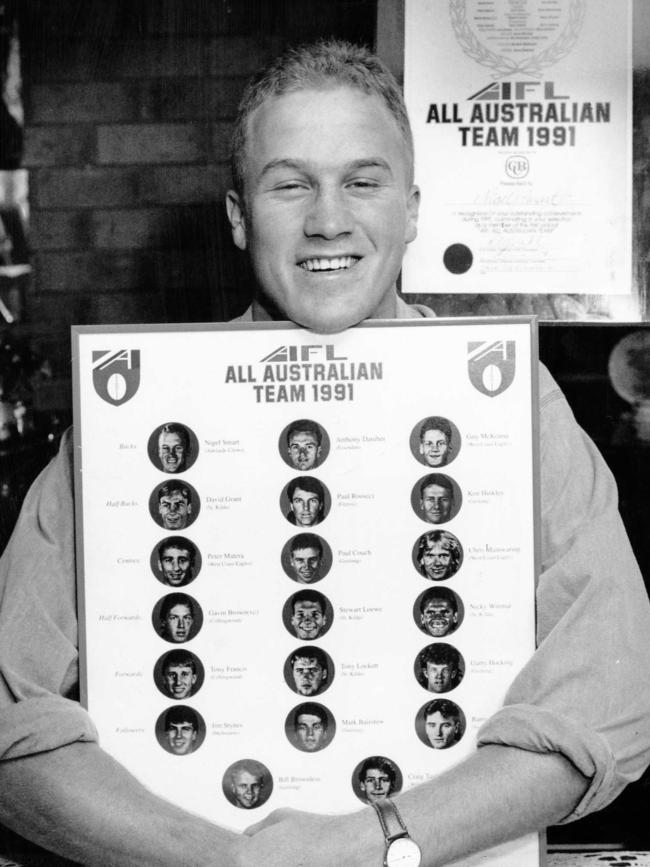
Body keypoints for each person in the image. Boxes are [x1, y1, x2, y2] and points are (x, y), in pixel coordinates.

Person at [1, 38, 650, 867]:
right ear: (239, 216)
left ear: (412, 208)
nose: (328, 219)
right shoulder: (136, 410)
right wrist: (228, 862)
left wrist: (371, 842)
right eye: (291, 182)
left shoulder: (511, 402)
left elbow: (614, 696)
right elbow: (9, 714)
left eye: (363, 180)